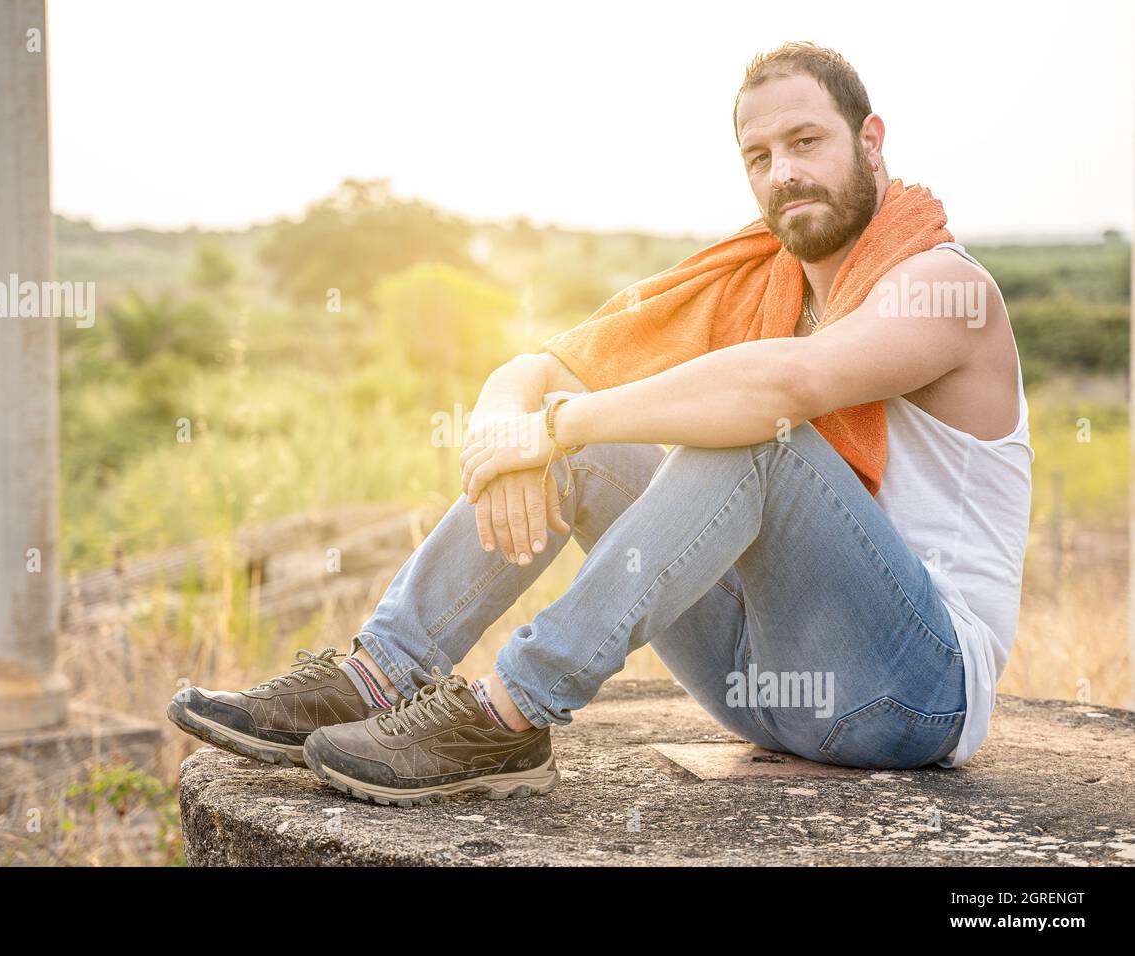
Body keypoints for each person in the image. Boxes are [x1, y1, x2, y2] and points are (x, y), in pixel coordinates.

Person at [168, 41, 1032, 808]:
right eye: (758, 156)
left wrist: (560, 425)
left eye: (807, 142)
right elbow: (538, 367)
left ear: (870, 142)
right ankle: (378, 674)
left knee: (759, 436)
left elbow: (783, 386)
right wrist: (522, 441)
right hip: (765, 686)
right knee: (599, 444)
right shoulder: (758, 278)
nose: (783, 175)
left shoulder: (943, 288)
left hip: (913, 694)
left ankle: (509, 714)